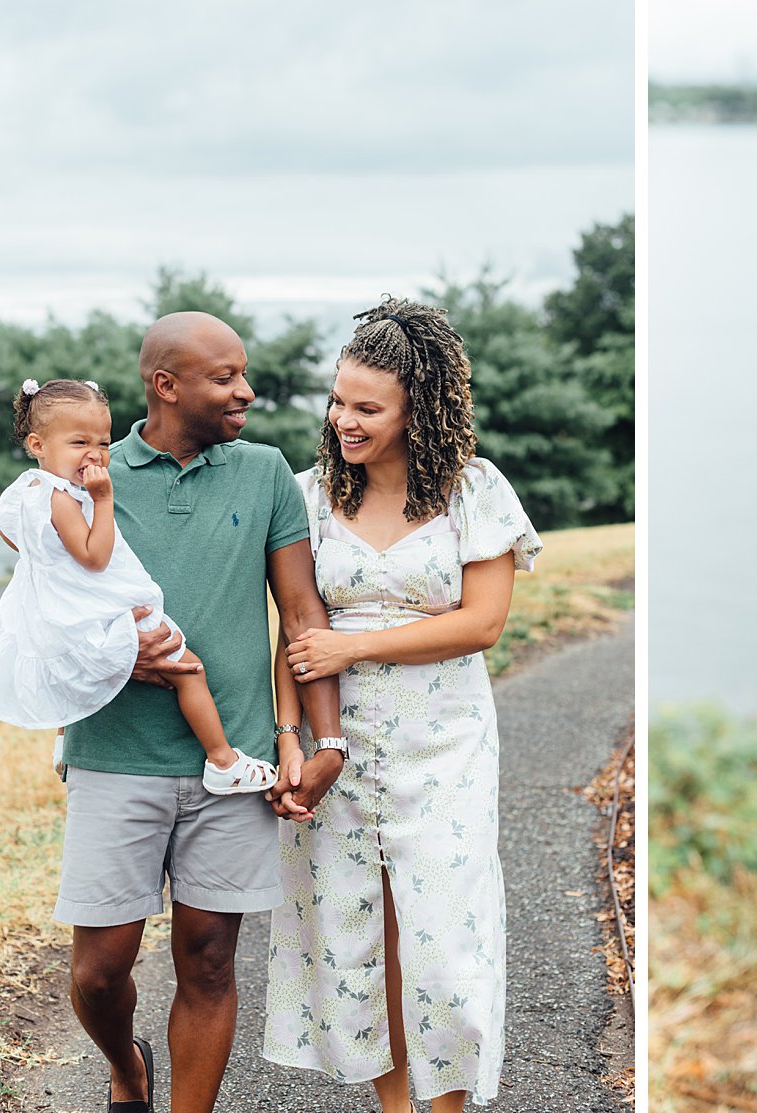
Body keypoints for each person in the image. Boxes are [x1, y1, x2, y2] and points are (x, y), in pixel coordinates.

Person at [53, 311, 344, 1113]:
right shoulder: (90, 476)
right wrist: (115, 654)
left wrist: (324, 739)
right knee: (99, 970)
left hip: (233, 761)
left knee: (210, 959)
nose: (245, 390)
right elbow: (41, 610)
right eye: (225, 377)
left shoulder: (265, 472)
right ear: (166, 384)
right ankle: (125, 1065)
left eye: (242, 373)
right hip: (114, 752)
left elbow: (302, 612)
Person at [262, 297, 540, 1113]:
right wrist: (291, 739)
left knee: (443, 945)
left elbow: (482, 623)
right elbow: (295, 630)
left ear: (419, 407)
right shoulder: (308, 496)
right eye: (339, 401)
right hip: (337, 742)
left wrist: (357, 645)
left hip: (443, 739)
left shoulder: (474, 491)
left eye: (368, 407)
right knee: (362, 935)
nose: (345, 419)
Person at [0, 377, 278, 795]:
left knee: (78, 671)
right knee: (189, 670)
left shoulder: (25, 490)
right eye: (78, 443)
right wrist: (101, 499)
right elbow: (95, 556)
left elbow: (12, 534)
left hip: (62, 609)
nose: (96, 454)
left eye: (103, 441)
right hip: (103, 606)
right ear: (38, 445)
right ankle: (223, 759)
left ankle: (64, 738)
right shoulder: (63, 498)